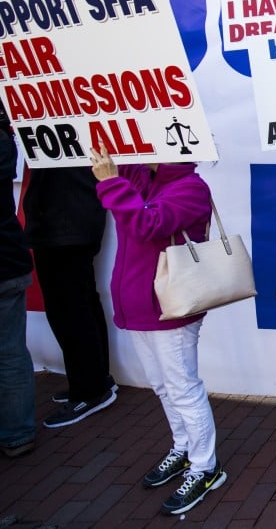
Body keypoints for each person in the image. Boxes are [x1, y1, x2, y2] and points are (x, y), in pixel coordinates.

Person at [90, 145, 226, 516]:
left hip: (171, 311)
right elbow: (117, 168)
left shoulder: (191, 187)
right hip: (138, 307)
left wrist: (111, 183)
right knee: (164, 387)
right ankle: (183, 449)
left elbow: (147, 223)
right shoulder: (140, 176)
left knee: (183, 388)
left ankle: (205, 468)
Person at [24, 166, 117, 428]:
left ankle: (89, 390)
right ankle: (95, 380)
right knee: (81, 300)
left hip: (61, 222)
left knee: (69, 307)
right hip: (70, 219)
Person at [0, 110, 36, 458]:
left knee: (10, 353)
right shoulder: (6, 143)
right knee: (10, 352)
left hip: (9, 261)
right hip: (9, 259)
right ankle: (17, 433)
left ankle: (17, 433)